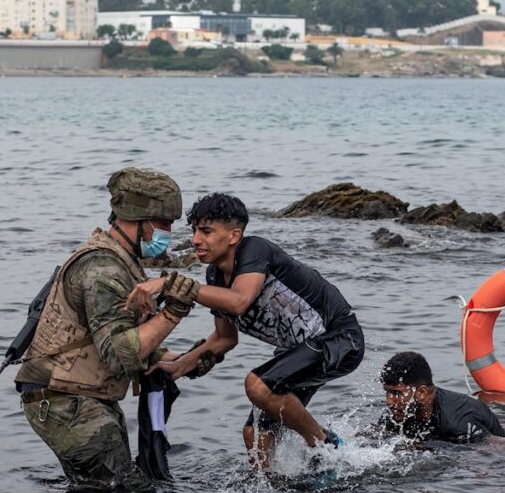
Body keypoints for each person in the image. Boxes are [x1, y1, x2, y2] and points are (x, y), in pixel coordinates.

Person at [128, 193, 364, 469]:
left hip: (340, 338)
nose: (195, 240)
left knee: (257, 385)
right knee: (254, 435)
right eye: (194, 231)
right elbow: (225, 338)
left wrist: (172, 283)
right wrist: (178, 367)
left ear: (233, 235)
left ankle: (326, 448)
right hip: (302, 351)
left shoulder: (255, 250)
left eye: (206, 231)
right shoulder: (215, 276)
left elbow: (239, 302)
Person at [12, 167, 200, 486]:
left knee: (110, 492)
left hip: (81, 396)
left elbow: (120, 340)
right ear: (139, 220)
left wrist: (192, 360)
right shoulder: (103, 269)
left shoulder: (121, 261)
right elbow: (118, 354)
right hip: (65, 402)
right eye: (164, 224)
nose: (169, 232)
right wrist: (175, 312)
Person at [379, 351, 505, 443]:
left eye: (397, 393)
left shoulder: (457, 423)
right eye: (387, 392)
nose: (389, 402)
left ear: (422, 392)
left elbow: (498, 449)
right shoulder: (399, 413)